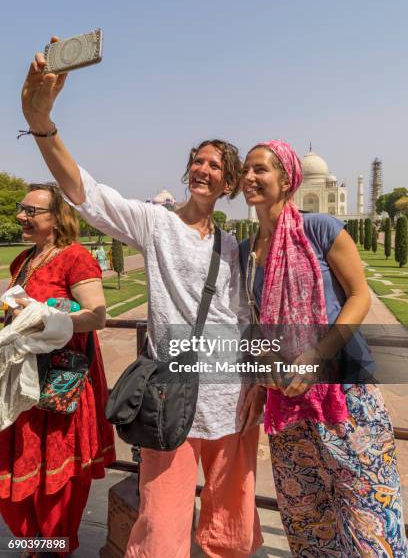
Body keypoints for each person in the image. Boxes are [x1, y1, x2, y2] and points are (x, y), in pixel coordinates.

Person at [19, 44, 264, 558]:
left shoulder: (233, 248)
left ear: (230, 183)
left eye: (214, 164)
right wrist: (41, 123)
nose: (201, 168)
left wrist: (258, 384)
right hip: (170, 401)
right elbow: (85, 191)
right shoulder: (156, 224)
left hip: (229, 397)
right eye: (196, 160)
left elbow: (246, 324)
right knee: (161, 525)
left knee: (231, 523)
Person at [240, 139, 407, 556]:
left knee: (369, 515)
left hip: (344, 395)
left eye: (260, 169)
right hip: (288, 401)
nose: (249, 176)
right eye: (246, 168)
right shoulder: (247, 253)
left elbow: (360, 296)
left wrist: (318, 355)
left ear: (288, 178)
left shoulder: (320, 228)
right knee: (308, 519)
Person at [0, 183, 116, 557]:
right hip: (24, 383)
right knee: (18, 478)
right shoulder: (23, 261)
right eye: (22, 209)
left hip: (60, 385)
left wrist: (44, 316)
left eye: (32, 211)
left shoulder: (75, 257)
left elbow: (97, 316)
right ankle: (35, 547)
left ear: (57, 218)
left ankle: (51, 549)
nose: (22, 216)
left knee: (56, 483)